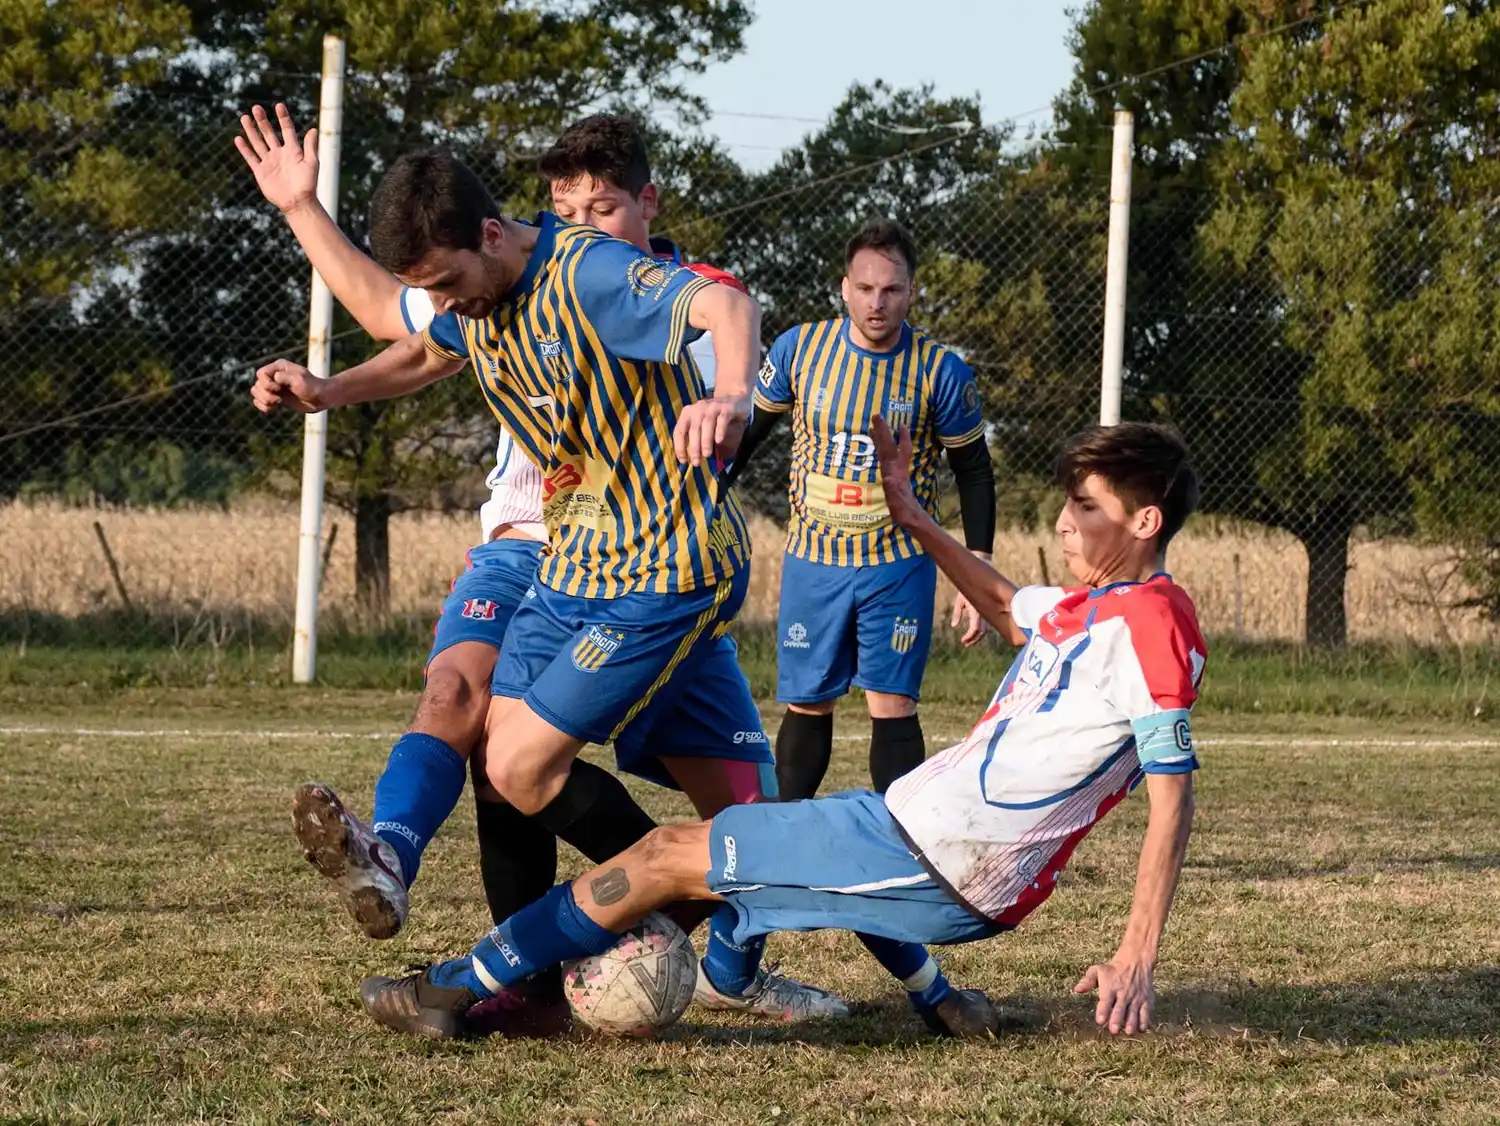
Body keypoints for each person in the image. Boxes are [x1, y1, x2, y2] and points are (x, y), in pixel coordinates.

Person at [242, 119, 852, 1021]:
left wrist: (729, 396)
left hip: (664, 564)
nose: (446, 301)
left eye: (449, 282)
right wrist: (331, 389)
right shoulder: (477, 296)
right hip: (571, 564)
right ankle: (560, 964)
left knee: (551, 771)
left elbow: (728, 308)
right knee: (501, 765)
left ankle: (677, 897)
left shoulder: (590, 272)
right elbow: (418, 344)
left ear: (492, 236)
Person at [355, 418, 1206, 1043]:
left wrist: (1136, 958)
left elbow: (1172, 798)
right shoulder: (1092, 608)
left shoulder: (1156, 624)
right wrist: (908, 511)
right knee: (788, 845)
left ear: (1144, 524)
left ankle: (450, 989)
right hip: (922, 838)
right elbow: (999, 601)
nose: (1064, 521)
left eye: (1085, 507)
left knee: (663, 860)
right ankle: (918, 995)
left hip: (945, 857)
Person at [732, 218, 997, 802]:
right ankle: (787, 834)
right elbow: (749, 435)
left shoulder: (940, 371)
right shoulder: (800, 349)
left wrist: (978, 570)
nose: (878, 303)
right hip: (814, 559)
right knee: (808, 700)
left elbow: (973, 471)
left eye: (892, 290)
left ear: (912, 292)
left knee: (893, 702)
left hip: (897, 562)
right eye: (866, 288)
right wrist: (702, 498)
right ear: (844, 288)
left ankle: (903, 846)